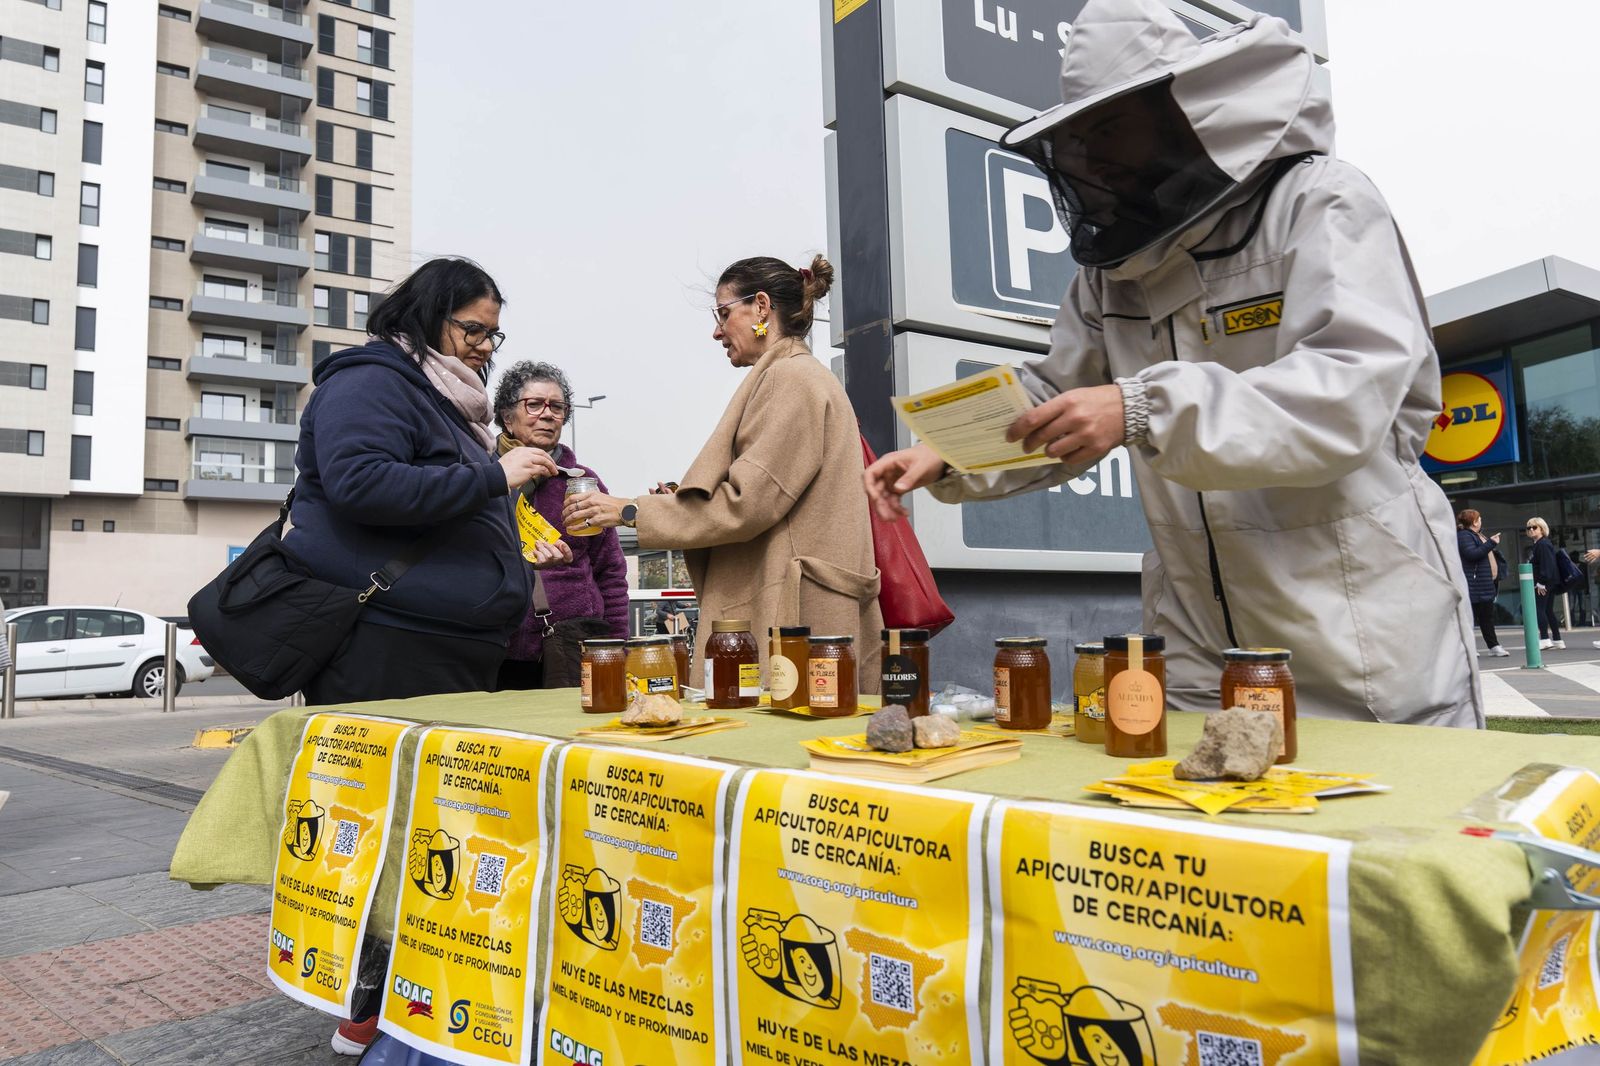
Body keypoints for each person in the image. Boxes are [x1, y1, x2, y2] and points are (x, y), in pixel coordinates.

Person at [863, 0, 1481, 726]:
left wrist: (1141, 407)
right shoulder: (1112, 273)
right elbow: (1057, 392)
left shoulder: (1321, 204)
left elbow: (1345, 394)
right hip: (1198, 640)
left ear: (1178, 109)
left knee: (1388, 833)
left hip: (1361, 638)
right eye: (1078, 137)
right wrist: (949, 453)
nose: (1089, 157)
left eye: (1106, 129)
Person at [282, 258, 549, 1057]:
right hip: (389, 647)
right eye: (473, 329)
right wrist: (491, 476)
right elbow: (363, 485)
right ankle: (376, 1009)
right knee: (394, 837)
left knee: (437, 835)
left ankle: (423, 1004)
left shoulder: (441, 399)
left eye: (493, 333)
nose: (484, 348)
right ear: (427, 317)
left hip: (445, 649)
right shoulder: (371, 382)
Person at [564, 254, 883, 687]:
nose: (716, 331)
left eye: (723, 313)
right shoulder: (803, 377)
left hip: (792, 611)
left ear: (763, 307)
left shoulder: (790, 379)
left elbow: (746, 503)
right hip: (805, 603)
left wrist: (628, 510)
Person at [491, 360, 629, 689]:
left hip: (569, 644)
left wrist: (617, 646)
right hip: (495, 644)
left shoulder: (584, 482)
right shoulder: (482, 476)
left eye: (557, 406)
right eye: (534, 404)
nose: (548, 414)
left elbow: (610, 570)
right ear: (507, 416)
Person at [1456, 510, 1507, 657]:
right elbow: (1472, 554)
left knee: (1487, 618)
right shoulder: (1464, 536)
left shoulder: (1477, 535)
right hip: (1473, 585)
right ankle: (1470, 648)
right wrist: (1491, 543)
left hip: (1484, 584)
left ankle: (1494, 646)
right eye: (1479, 519)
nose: (1481, 521)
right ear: (1474, 522)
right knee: (1469, 619)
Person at [1526, 517, 1564, 650]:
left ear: (1542, 529)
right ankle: (1558, 639)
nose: (1531, 530)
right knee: (1548, 610)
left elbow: (1547, 565)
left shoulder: (1542, 544)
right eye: (1529, 527)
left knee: (1539, 610)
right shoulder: (1540, 544)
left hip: (1544, 583)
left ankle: (1544, 638)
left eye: (1534, 527)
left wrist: (1541, 583)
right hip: (1548, 582)